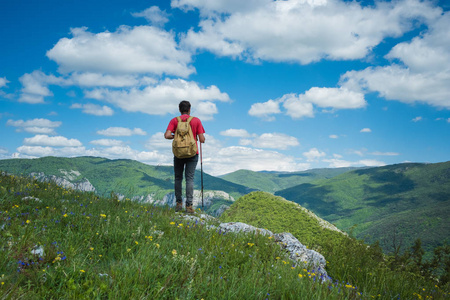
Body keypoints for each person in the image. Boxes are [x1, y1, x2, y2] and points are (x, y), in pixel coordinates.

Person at [165, 100, 205, 214]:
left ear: (179, 109)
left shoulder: (174, 120)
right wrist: (197, 137)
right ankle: (189, 206)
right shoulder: (196, 120)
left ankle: (178, 204)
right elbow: (202, 139)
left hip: (178, 153)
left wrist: (176, 136)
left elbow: (167, 135)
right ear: (189, 109)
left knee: (178, 178)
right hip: (192, 153)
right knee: (189, 178)